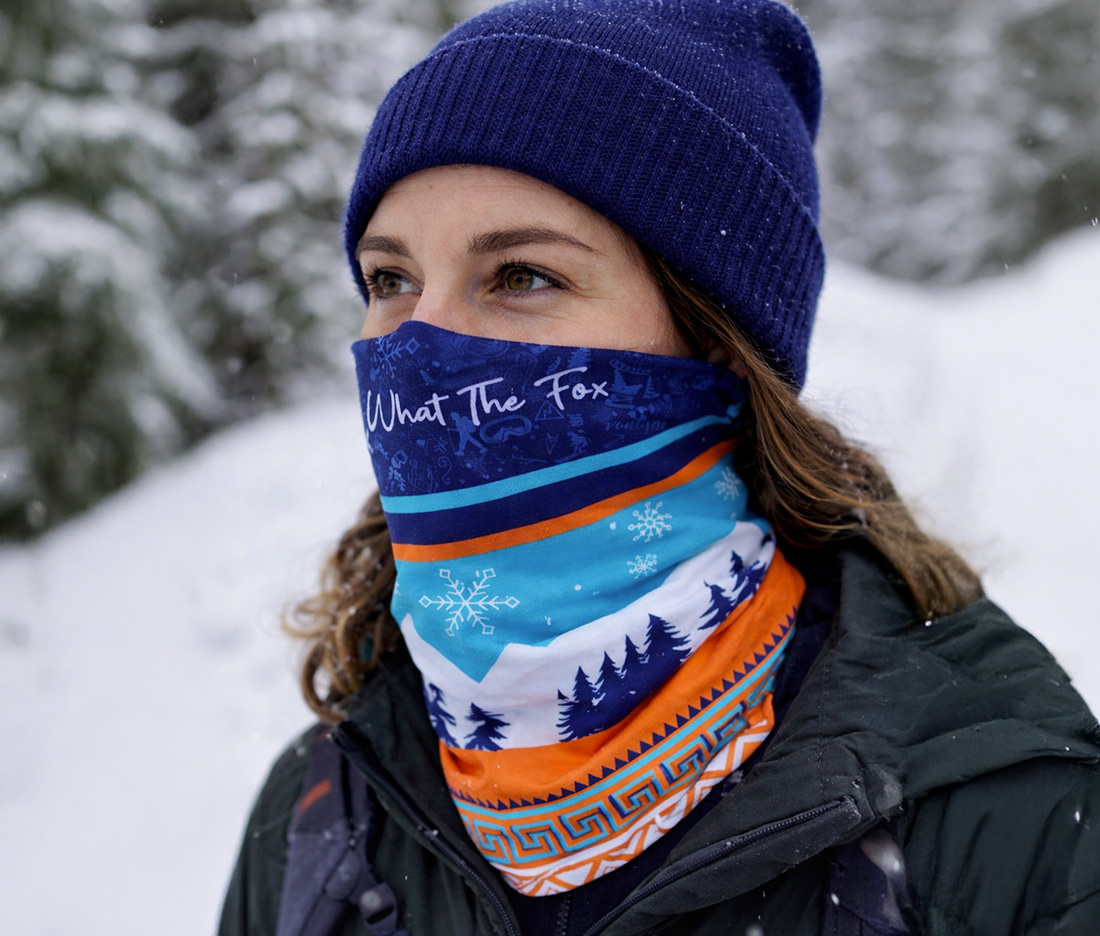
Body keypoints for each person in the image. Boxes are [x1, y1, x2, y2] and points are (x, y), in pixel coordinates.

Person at [219, 1, 1100, 934]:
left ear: (715, 344)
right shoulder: (323, 817)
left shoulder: (1008, 828)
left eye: (522, 275)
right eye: (391, 279)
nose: (423, 347)